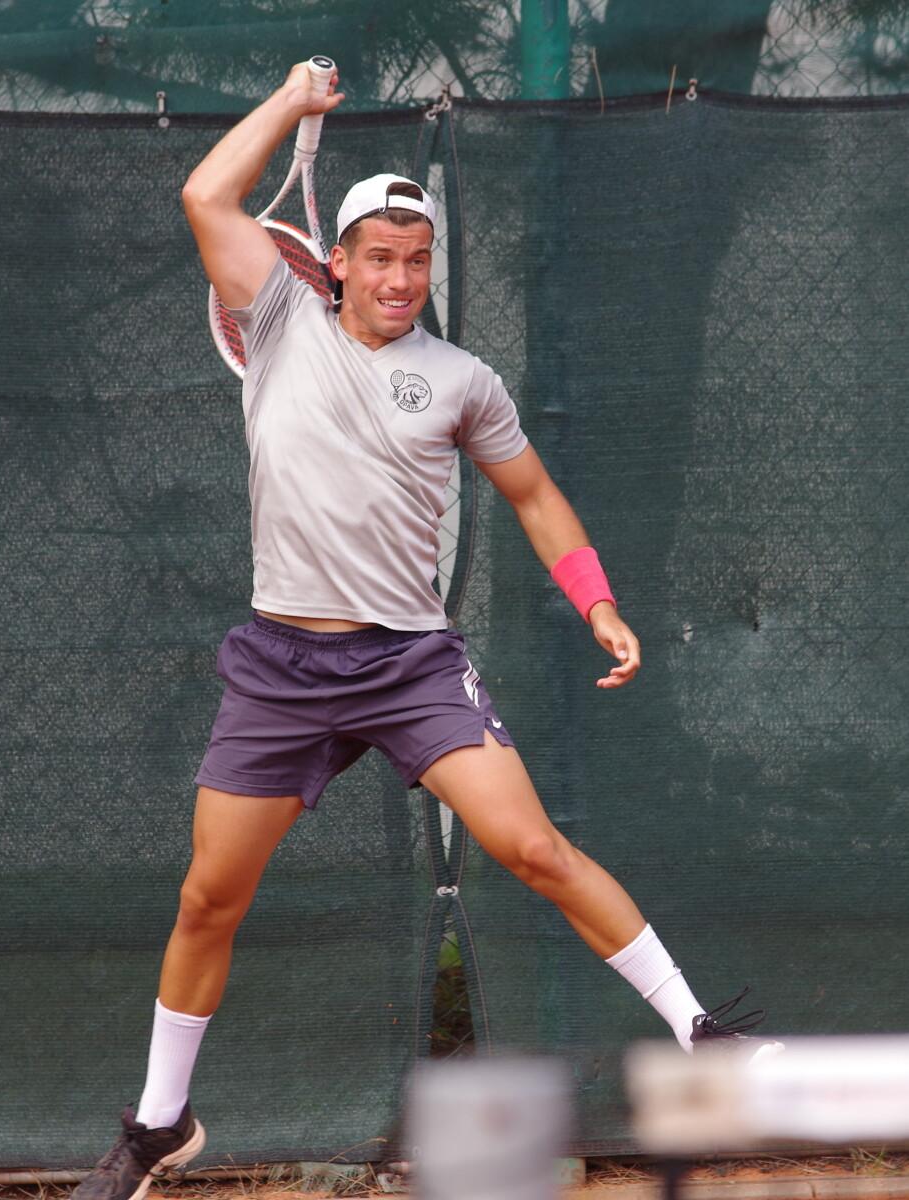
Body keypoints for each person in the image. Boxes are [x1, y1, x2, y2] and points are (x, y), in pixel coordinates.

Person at [70, 62, 779, 1200]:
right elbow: (206, 195)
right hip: (282, 667)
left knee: (533, 850)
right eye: (380, 259)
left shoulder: (462, 381)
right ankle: (159, 1125)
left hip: (409, 665)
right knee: (208, 898)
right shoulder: (277, 318)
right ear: (336, 263)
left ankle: (701, 1034)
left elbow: (534, 497)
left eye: (418, 260)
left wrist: (596, 600)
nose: (400, 279)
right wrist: (291, 102)